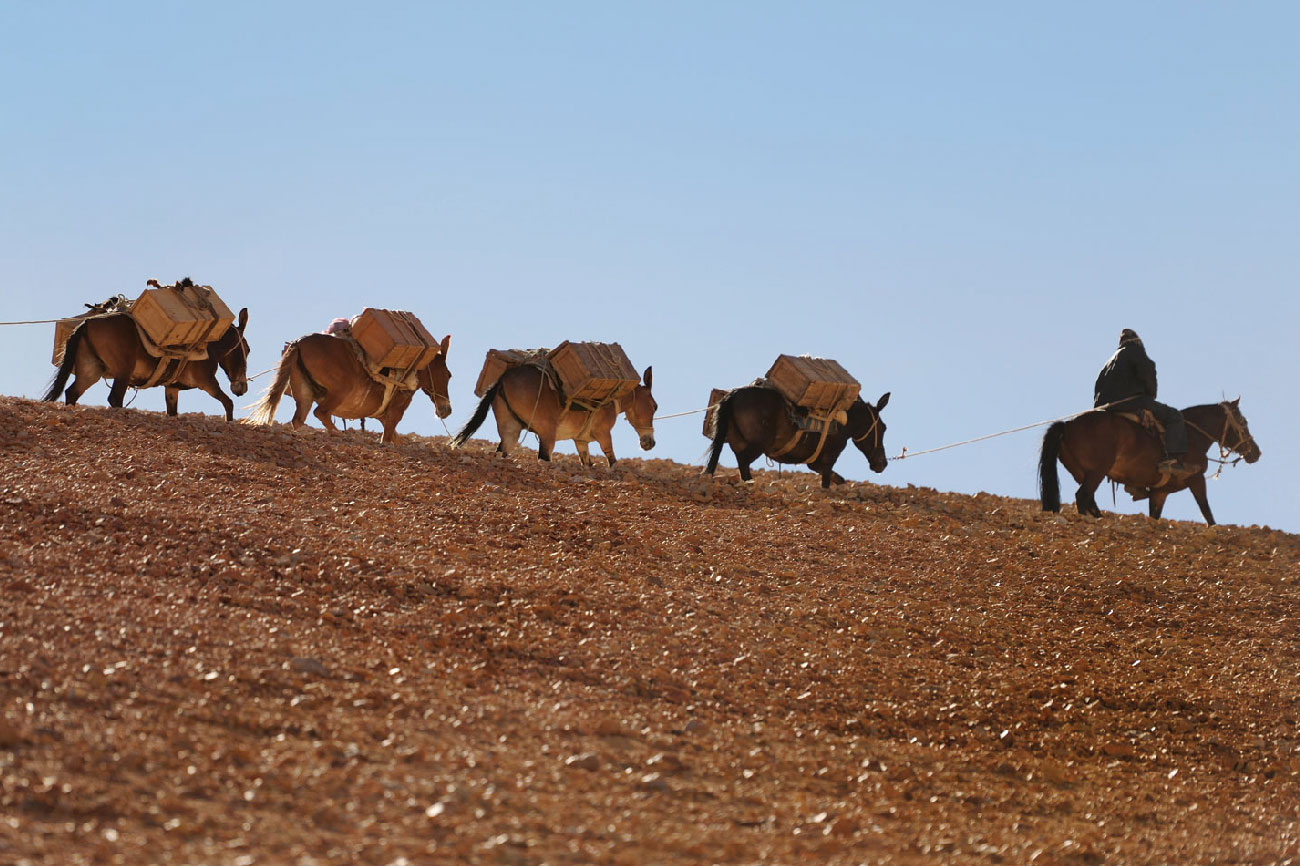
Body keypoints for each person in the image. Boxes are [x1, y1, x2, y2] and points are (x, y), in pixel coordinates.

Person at [1094, 329, 1190, 475]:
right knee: (1175, 416)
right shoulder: (1136, 352)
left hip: (1103, 408)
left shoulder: (1108, 362)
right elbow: (1148, 376)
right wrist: (1150, 394)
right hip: (1131, 403)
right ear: (1137, 342)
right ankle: (1172, 461)